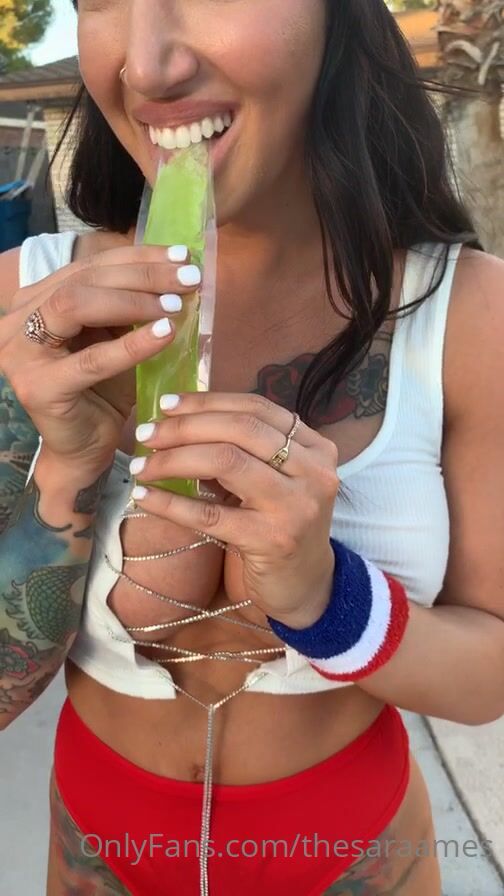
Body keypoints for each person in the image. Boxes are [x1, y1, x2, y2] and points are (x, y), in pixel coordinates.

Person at [1, 1, 503, 894]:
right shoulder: (26, 301)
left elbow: (487, 678)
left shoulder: (471, 314)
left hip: (358, 856)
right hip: (94, 854)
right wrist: (67, 471)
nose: (146, 66)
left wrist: (325, 597)